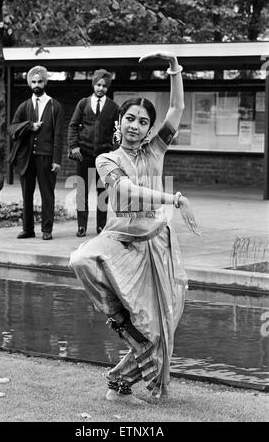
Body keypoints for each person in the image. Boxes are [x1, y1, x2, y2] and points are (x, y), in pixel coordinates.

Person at [69, 51, 201, 404]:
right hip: (121, 240)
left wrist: (174, 66)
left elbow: (176, 110)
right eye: (130, 118)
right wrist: (172, 199)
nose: (135, 126)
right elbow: (125, 191)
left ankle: (120, 385)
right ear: (119, 123)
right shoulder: (106, 158)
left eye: (143, 122)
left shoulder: (156, 150)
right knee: (80, 261)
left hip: (159, 246)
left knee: (162, 326)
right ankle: (119, 321)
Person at [8, 66, 64, 240]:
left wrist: (56, 160)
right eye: (33, 82)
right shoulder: (24, 106)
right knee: (27, 194)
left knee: (47, 194)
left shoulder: (55, 106)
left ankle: (47, 229)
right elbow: (12, 129)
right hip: (26, 158)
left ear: (45, 82)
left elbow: (59, 135)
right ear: (29, 83)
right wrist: (29, 126)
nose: (37, 84)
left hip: (46, 156)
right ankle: (28, 229)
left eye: (40, 81)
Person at [67, 69, 119, 237]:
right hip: (84, 154)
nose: (101, 88)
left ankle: (101, 226)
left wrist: (114, 150)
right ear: (93, 84)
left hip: (104, 157)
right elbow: (73, 126)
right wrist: (74, 146)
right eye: (98, 85)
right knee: (82, 191)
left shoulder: (113, 107)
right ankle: (81, 226)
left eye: (104, 86)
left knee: (102, 191)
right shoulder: (83, 103)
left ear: (107, 87)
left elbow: (117, 131)